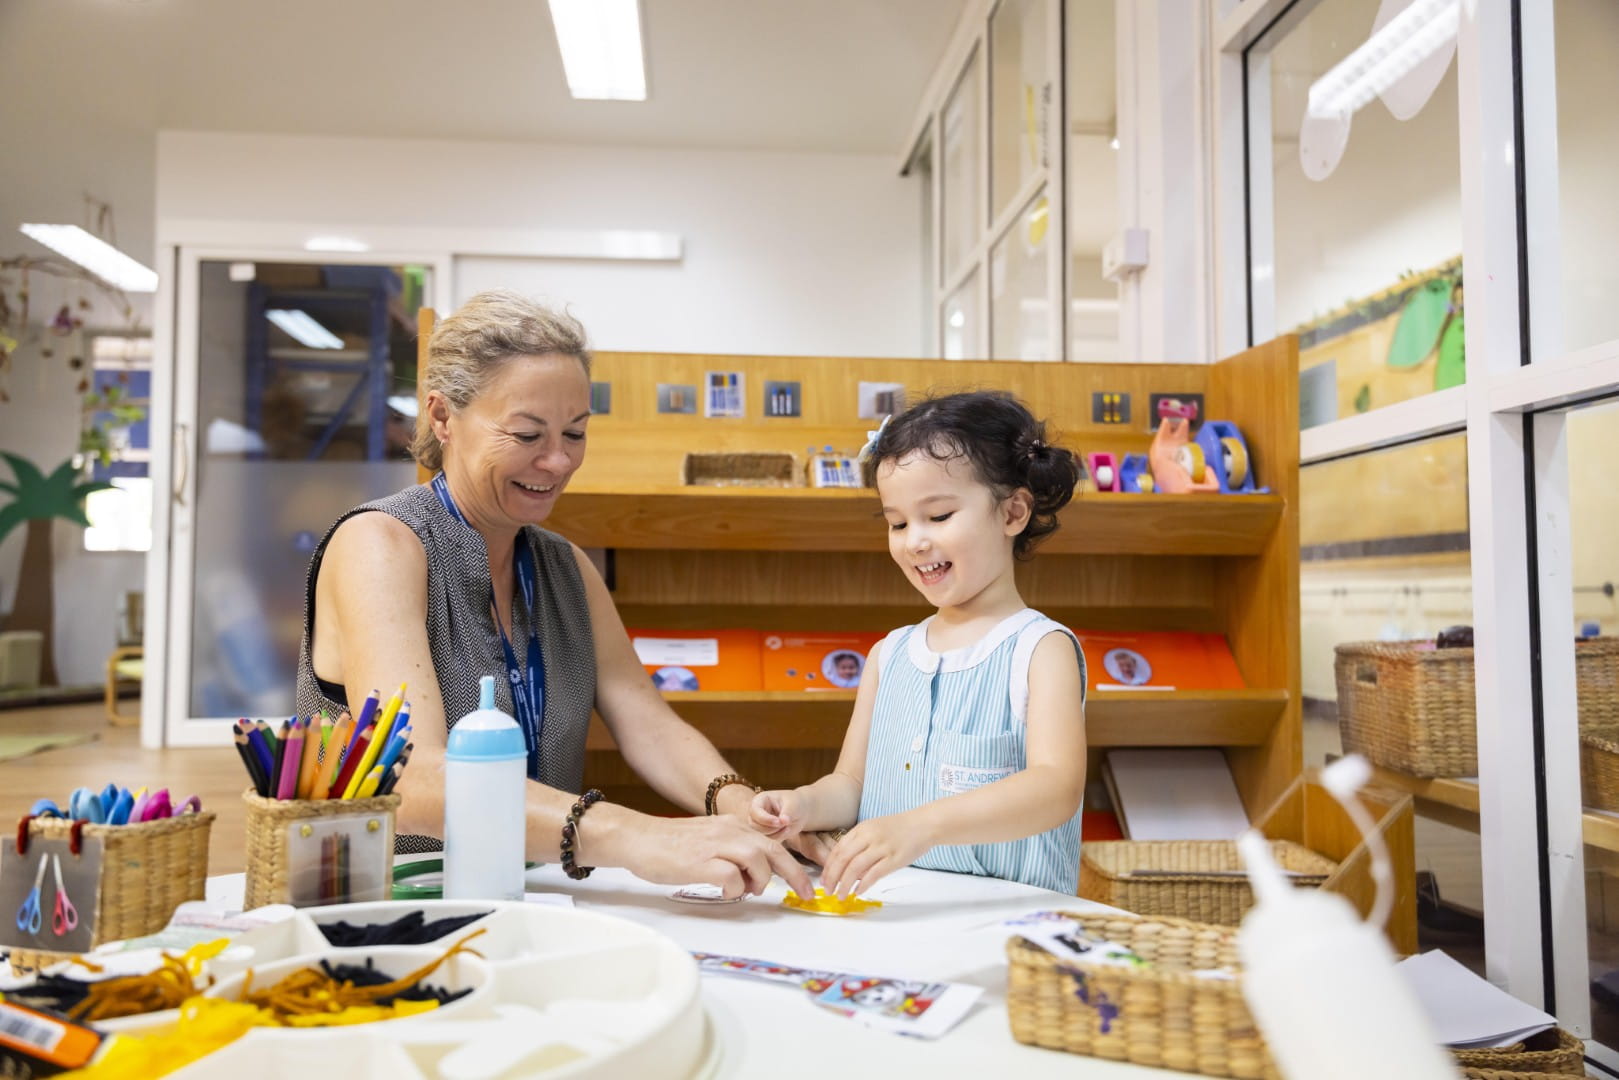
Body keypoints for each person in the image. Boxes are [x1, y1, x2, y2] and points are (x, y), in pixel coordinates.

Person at [296, 290, 809, 899]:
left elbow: (648, 723)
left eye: (575, 432)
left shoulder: (565, 567)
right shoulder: (378, 545)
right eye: (526, 433)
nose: (558, 460)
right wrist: (635, 836)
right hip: (387, 895)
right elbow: (415, 778)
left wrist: (740, 804)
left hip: (532, 891)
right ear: (441, 418)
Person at [750, 391, 1088, 895]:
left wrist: (921, 825)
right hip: (899, 914)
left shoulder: (1040, 649)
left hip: (1011, 924)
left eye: (939, 516)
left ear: (1013, 512)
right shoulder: (890, 655)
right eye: (898, 523)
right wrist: (803, 804)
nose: (915, 542)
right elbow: (853, 785)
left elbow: (1055, 788)